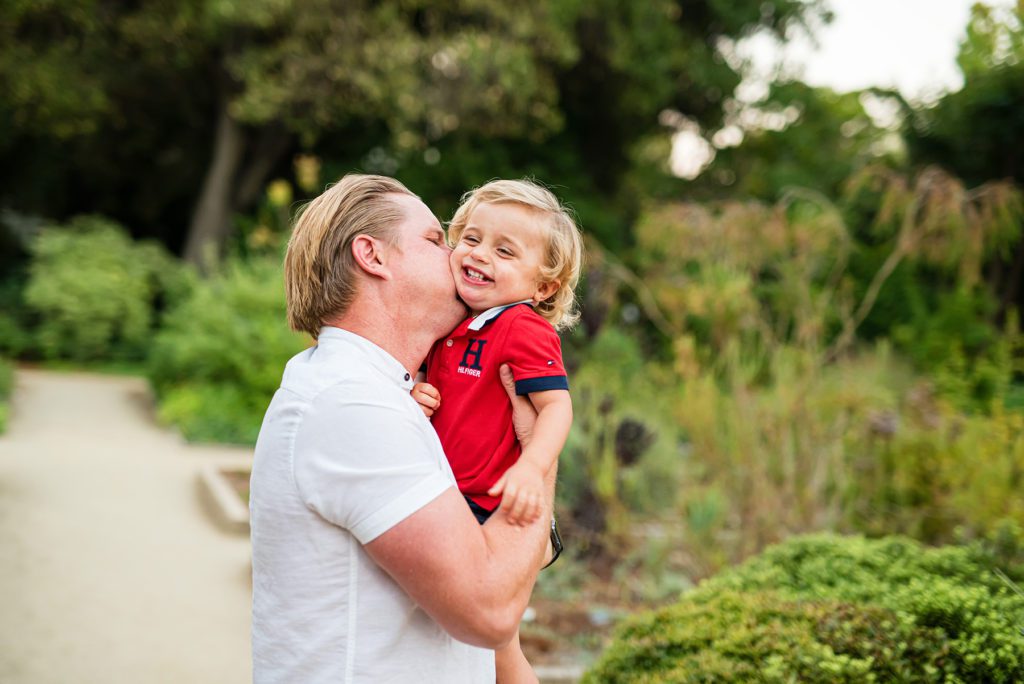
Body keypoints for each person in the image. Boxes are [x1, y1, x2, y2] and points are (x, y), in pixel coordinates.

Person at [249, 174, 555, 683]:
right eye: (436, 240)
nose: (459, 253)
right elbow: (491, 610)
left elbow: (498, 593)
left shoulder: (386, 394)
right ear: (373, 256)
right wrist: (537, 451)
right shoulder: (353, 406)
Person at [411, 179, 582, 681]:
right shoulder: (455, 321)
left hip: (485, 504)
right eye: (471, 239)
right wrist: (419, 394)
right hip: (449, 493)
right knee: (473, 642)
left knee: (498, 642)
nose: (480, 255)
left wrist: (532, 468)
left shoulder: (521, 326)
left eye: (504, 251)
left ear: (544, 286)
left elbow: (556, 408)